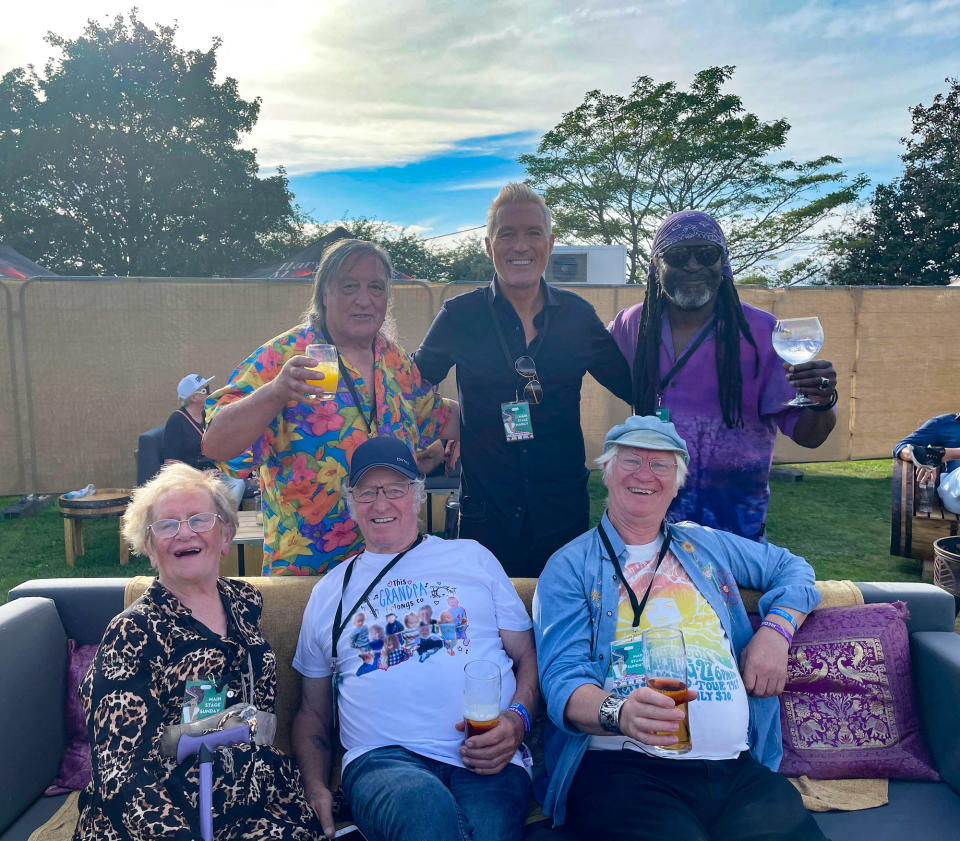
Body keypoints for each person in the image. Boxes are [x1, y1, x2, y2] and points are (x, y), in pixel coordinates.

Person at [533, 415, 827, 841]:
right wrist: (620, 712)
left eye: (661, 466)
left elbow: (792, 568)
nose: (645, 475)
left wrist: (776, 631)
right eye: (631, 460)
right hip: (624, 768)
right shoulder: (570, 566)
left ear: (676, 483)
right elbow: (561, 682)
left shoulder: (703, 543)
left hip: (736, 770)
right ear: (607, 472)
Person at [291, 437, 538, 841]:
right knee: (425, 815)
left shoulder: (472, 557)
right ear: (352, 504)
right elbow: (311, 712)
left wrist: (517, 722)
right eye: (368, 492)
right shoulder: (330, 593)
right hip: (383, 760)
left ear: (418, 497)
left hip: (487, 751)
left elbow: (528, 659)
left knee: (490, 830)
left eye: (395, 489)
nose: (381, 503)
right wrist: (316, 786)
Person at [73, 463, 323, 841]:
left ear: (225, 535)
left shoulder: (244, 605)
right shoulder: (133, 632)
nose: (184, 532)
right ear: (150, 549)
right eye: (167, 525)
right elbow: (121, 771)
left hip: (254, 808)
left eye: (198, 519)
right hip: (165, 819)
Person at [414, 183, 632, 576]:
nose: (521, 245)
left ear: (549, 243)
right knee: (489, 629)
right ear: (488, 245)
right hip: (486, 513)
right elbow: (407, 385)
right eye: (507, 234)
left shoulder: (577, 317)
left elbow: (637, 386)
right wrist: (450, 425)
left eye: (533, 233)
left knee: (562, 624)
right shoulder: (460, 317)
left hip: (562, 511)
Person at [203, 238, 457, 576]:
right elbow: (216, 443)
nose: (363, 299)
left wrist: (478, 428)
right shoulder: (284, 355)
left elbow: (436, 414)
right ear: (324, 294)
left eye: (376, 287)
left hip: (391, 570)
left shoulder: (394, 360)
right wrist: (276, 391)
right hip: (308, 574)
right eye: (349, 286)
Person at [607, 210, 838, 541]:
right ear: (656, 265)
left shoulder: (762, 333)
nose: (692, 265)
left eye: (706, 253)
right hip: (647, 530)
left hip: (735, 532)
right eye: (676, 255)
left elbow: (810, 437)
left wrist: (821, 400)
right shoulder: (634, 325)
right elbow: (582, 353)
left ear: (723, 263)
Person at [161, 373, 246, 508]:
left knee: (238, 482)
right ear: (193, 397)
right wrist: (200, 475)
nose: (211, 392)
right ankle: (220, 519)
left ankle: (223, 519)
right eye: (205, 390)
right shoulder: (176, 421)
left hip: (214, 473)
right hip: (190, 478)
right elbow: (170, 463)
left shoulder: (206, 415)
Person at [894, 411, 960, 511]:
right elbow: (901, 447)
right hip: (954, 490)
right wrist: (924, 457)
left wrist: (943, 454)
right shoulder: (944, 423)